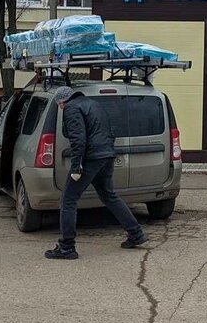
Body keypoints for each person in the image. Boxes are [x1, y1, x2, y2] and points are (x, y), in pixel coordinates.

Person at [44, 86, 148, 260]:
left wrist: (76, 166)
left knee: (68, 199)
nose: (61, 108)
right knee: (109, 195)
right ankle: (136, 233)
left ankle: (67, 247)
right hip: (106, 155)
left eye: (59, 105)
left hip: (91, 158)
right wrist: (107, 152)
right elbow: (109, 131)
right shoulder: (93, 104)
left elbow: (78, 139)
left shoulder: (71, 108)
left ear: (62, 101)